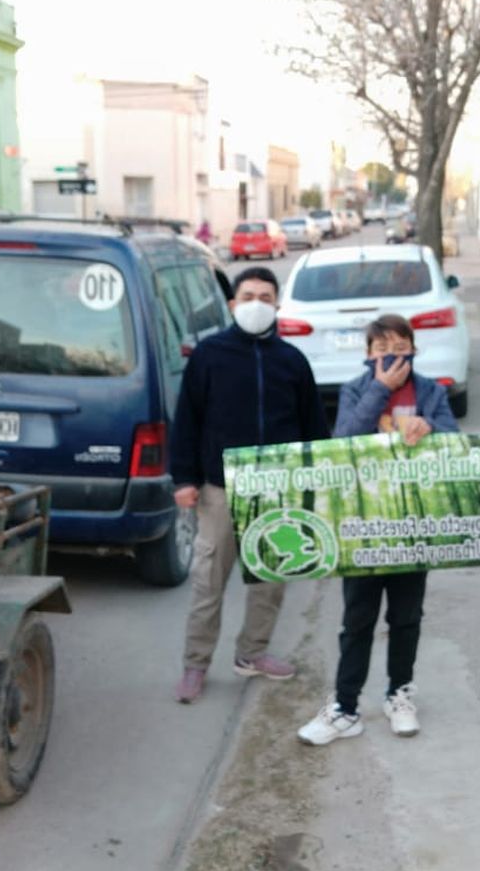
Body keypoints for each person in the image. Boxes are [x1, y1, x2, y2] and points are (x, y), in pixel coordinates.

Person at [170, 266, 331, 704]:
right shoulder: (209, 356)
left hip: (278, 490)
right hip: (219, 489)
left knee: (270, 579)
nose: (256, 303)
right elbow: (187, 420)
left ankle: (252, 653)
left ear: (277, 304)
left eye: (265, 296)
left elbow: (313, 426)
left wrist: (317, 483)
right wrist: (184, 478)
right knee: (208, 581)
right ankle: (195, 664)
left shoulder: (292, 361)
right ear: (232, 303)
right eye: (248, 296)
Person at [296, 314, 459, 745]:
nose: (392, 353)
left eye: (400, 344)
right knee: (357, 619)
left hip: (414, 523)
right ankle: (345, 707)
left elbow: (455, 438)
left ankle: (399, 694)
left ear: (413, 349)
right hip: (363, 524)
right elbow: (344, 437)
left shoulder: (430, 391)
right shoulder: (354, 390)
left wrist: (432, 428)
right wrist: (381, 390)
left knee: (406, 616)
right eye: (381, 345)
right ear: (369, 354)